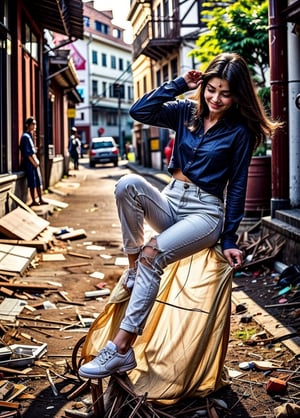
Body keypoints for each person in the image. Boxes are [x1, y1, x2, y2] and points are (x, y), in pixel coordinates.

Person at [78, 53, 281, 379]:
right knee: (127, 184)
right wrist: (177, 85)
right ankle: (133, 269)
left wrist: (229, 238)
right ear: (203, 87)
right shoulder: (186, 112)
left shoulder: (240, 132)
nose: (216, 98)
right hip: (172, 199)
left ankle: (120, 349)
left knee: (153, 252)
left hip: (205, 212)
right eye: (211, 89)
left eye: (225, 93)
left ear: (237, 95)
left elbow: (239, 185)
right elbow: (138, 111)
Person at [20, 117, 47, 207]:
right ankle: (34, 200)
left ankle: (40, 198)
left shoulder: (31, 136)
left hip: (35, 163)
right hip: (30, 164)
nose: (35, 126)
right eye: (33, 124)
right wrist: (34, 162)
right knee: (32, 181)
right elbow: (27, 153)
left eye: (35, 124)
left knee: (38, 181)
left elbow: (32, 151)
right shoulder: (25, 137)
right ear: (28, 125)